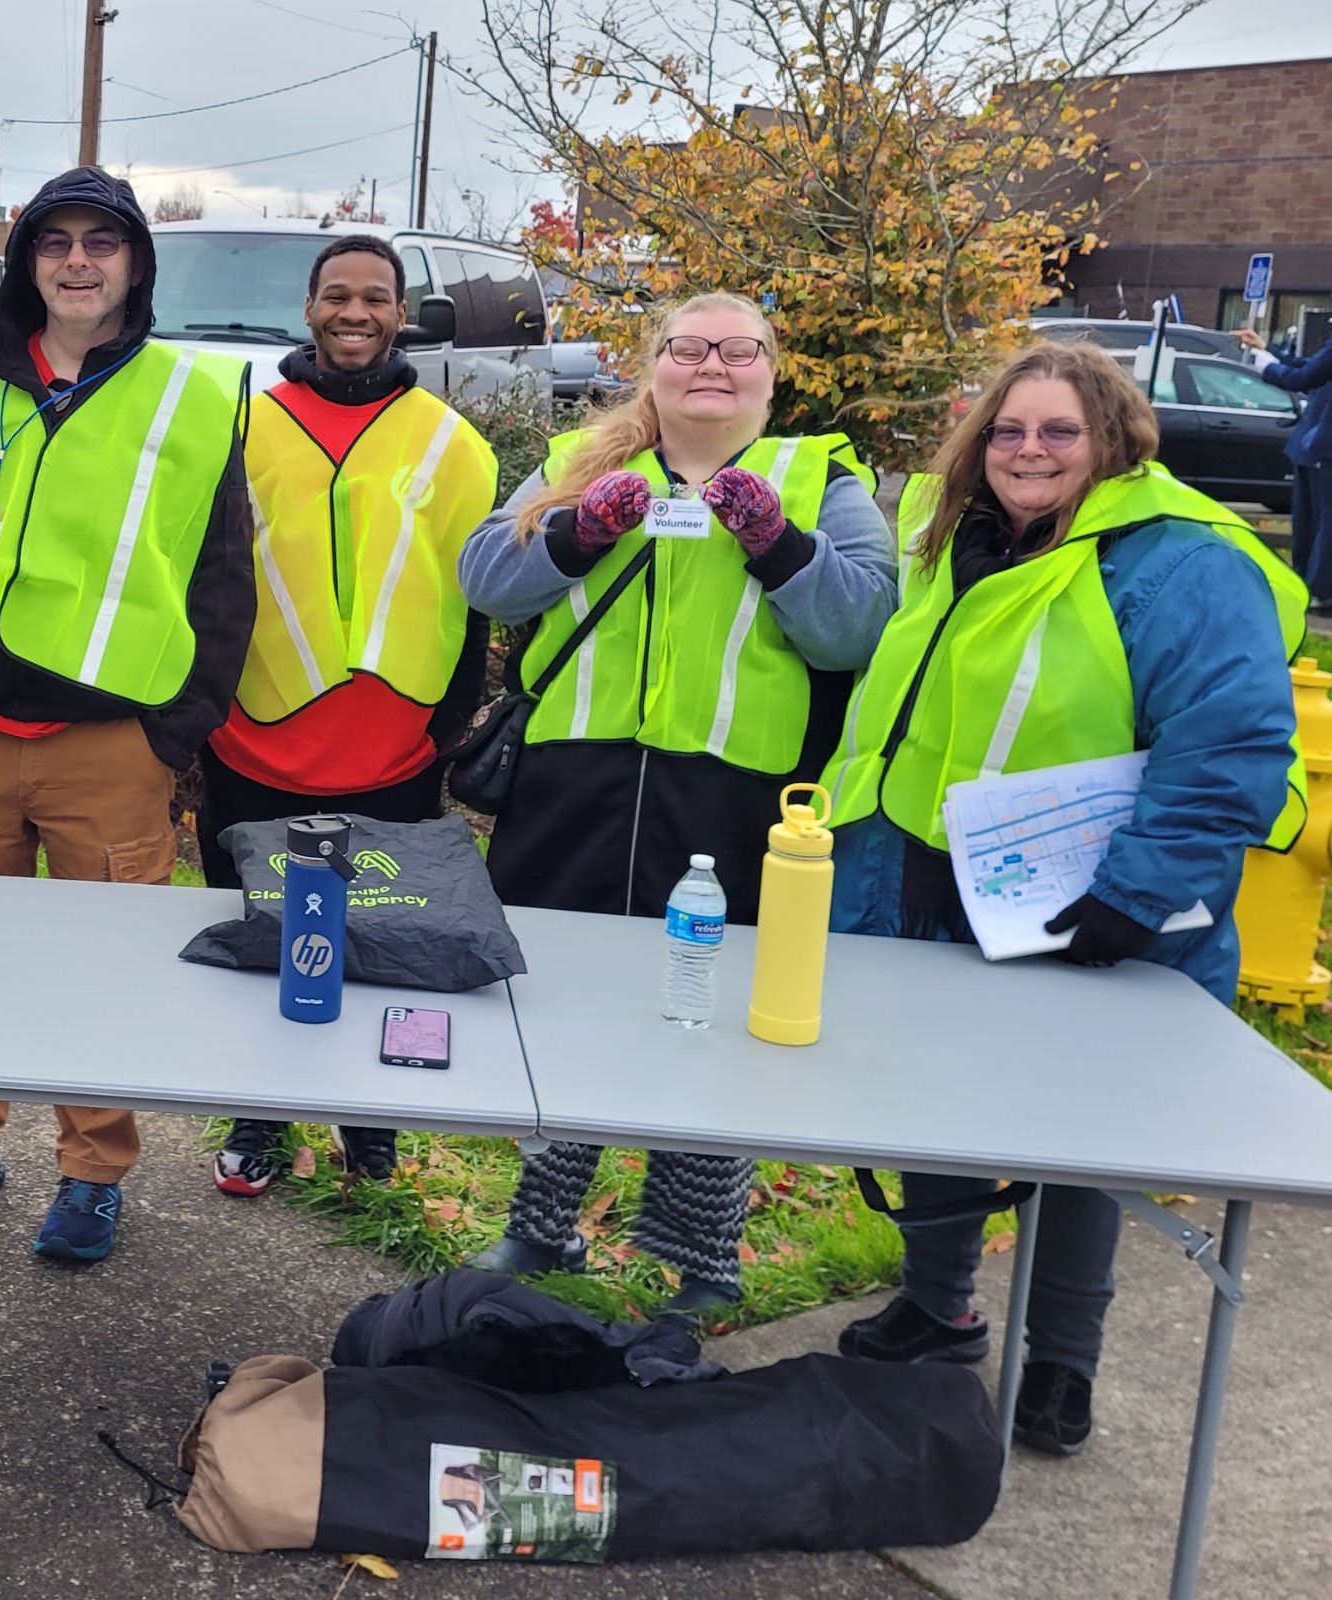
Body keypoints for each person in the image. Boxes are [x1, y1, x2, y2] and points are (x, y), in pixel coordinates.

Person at [819, 340, 1304, 1455]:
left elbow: (1228, 744)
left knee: (1083, 1148)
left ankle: (1061, 1365)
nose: (1027, 450)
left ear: (1115, 439)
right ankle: (938, 1310)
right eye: (1007, 430)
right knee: (936, 1108)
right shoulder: (957, 536)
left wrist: (1141, 895)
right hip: (939, 885)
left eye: (1057, 431)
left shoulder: (1181, 557)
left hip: (1090, 909)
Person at [455, 292, 898, 1319]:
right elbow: (487, 575)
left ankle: (703, 1258)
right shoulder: (584, 458)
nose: (712, 366)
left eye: (737, 350)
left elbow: (860, 627)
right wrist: (577, 530)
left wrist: (780, 543)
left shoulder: (823, 480)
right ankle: (541, 1223)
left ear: (771, 373)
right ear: (654, 366)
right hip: (573, 790)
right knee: (564, 1008)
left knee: (710, 1019)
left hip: (732, 800)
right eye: (687, 348)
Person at [0, 165, 254, 1262]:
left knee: (107, 977)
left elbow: (224, 576)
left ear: (136, 264)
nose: (78, 261)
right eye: (56, 242)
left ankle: (92, 1173)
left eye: (103, 241)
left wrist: (171, 735)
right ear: (24, 261)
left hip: (110, 745)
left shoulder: (191, 394)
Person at [203, 233, 496, 1197]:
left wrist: (449, 725)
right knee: (262, 946)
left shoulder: (454, 442)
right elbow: (203, 577)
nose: (356, 312)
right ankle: (260, 1118)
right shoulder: (241, 425)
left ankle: (374, 1129)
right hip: (254, 738)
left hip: (396, 750)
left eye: (376, 296)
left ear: (400, 312)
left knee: (390, 951)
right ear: (310, 308)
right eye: (338, 295)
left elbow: (475, 595)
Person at [1233, 325, 1332, 605]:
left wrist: (1267, 366)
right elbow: (1312, 369)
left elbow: (1305, 376)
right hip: (1315, 445)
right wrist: (1269, 351)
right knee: (1312, 520)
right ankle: (1310, 585)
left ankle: (1320, 591)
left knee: (1319, 522)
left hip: (1322, 445)